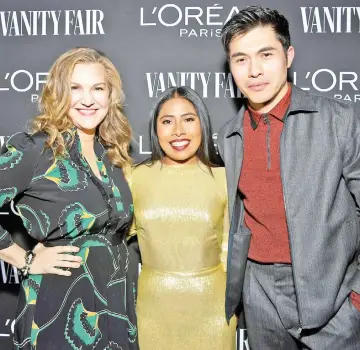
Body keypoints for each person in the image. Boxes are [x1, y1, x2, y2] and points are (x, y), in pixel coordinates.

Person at [217, 5, 360, 350]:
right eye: (240, 59)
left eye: (266, 54)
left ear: (288, 55)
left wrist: (356, 294)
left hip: (334, 293)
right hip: (259, 292)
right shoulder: (228, 136)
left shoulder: (338, 119)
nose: (254, 71)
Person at [0, 47, 138, 349]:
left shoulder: (112, 154)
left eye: (97, 88)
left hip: (114, 304)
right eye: (75, 88)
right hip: (56, 305)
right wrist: (23, 258)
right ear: (58, 93)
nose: (87, 100)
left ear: (110, 94)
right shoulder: (36, 148)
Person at [129, 86, 236, 350]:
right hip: (152, 308)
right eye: (167, 121)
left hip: (213, 310)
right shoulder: (134, 177)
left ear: (203, 124)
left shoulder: (225, 178)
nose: (178, 130)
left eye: (188, 119)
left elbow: (231, 251)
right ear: (156, 129)